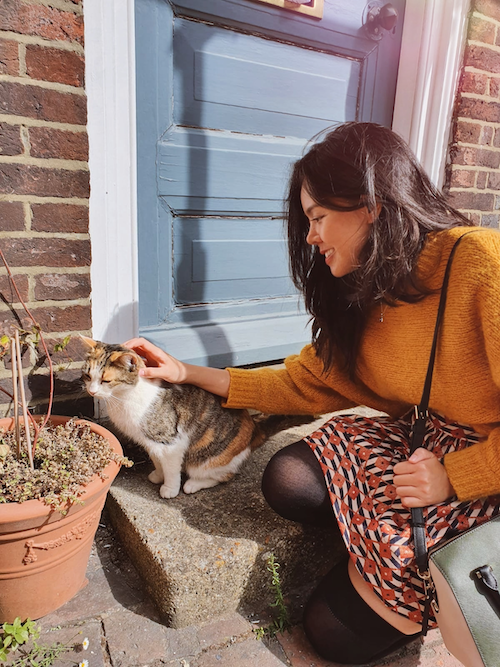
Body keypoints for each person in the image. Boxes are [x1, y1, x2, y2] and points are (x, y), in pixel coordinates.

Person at [125, 122, 500, 664]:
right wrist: (186, 373)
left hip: (483, 465)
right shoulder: (370, 289)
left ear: (371, 205)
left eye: (318, 217)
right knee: (290, 478)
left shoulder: (481, 265)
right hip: (428, 440)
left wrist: (454, 478)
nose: (309, 237)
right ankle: (387, 549)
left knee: (331, 634)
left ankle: (421, 571)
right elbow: (304, 381)